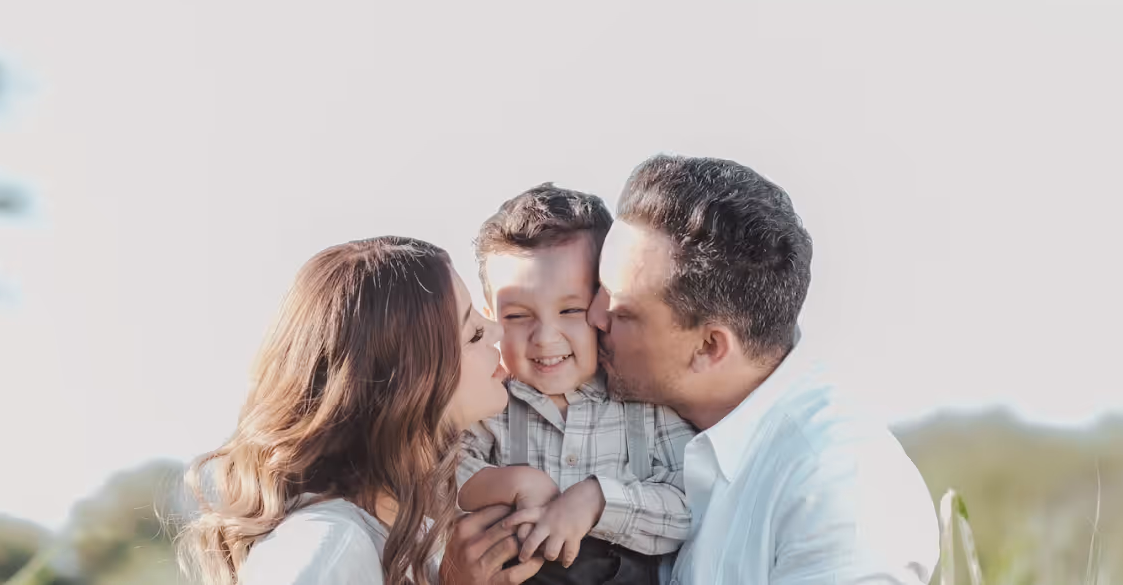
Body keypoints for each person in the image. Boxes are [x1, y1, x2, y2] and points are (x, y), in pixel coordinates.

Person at [587, 155, 941, 584]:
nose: (593, 316)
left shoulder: (838, 489)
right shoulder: (615, 417)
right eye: (598, 288)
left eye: (622, 312)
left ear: (709, 347)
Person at [178, 236, 546, 585]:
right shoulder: (327, 547)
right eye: (473, 334)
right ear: (407, 381)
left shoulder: (410, 534)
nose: (498, 330)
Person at [459, 184, 695, 584]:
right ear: (490, 318)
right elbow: (436, 477)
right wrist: (514, 483)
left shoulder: (643, 402)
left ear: (604, 305)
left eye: (571, 310)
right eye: (517, 316)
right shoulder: (491, 406)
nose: (546, 337)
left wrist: (598, 500)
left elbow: (691, 505)